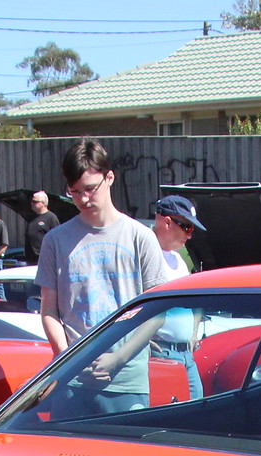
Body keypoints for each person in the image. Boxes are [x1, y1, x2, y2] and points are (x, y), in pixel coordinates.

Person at [35, 138, 168, 415]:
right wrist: (67, 357)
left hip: (126, 381)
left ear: (109, 178)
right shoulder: (55, 241)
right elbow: (48, 310)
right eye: (74, 192)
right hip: (71, 382)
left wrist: (118, 358)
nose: (83, 199)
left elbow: (157, 313)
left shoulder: (140, 237)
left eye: (90, 189)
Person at [150, 193, 206, 400]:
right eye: (186, 227)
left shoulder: (179, 260)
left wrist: (194, 332)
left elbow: (195, 301)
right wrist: (142, 341)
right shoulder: (147, 255)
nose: (189, 236)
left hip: (186, 354)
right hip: (161, 353)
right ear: (167, 222)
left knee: (197, 409)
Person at [24, 190, 59, 264]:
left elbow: (57, 239)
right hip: (30, 259)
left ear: (43, 203)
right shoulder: (31, 217)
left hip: (45, 258)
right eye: (32, 201)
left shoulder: (51, 217)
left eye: (35, 202)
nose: (32, 203)